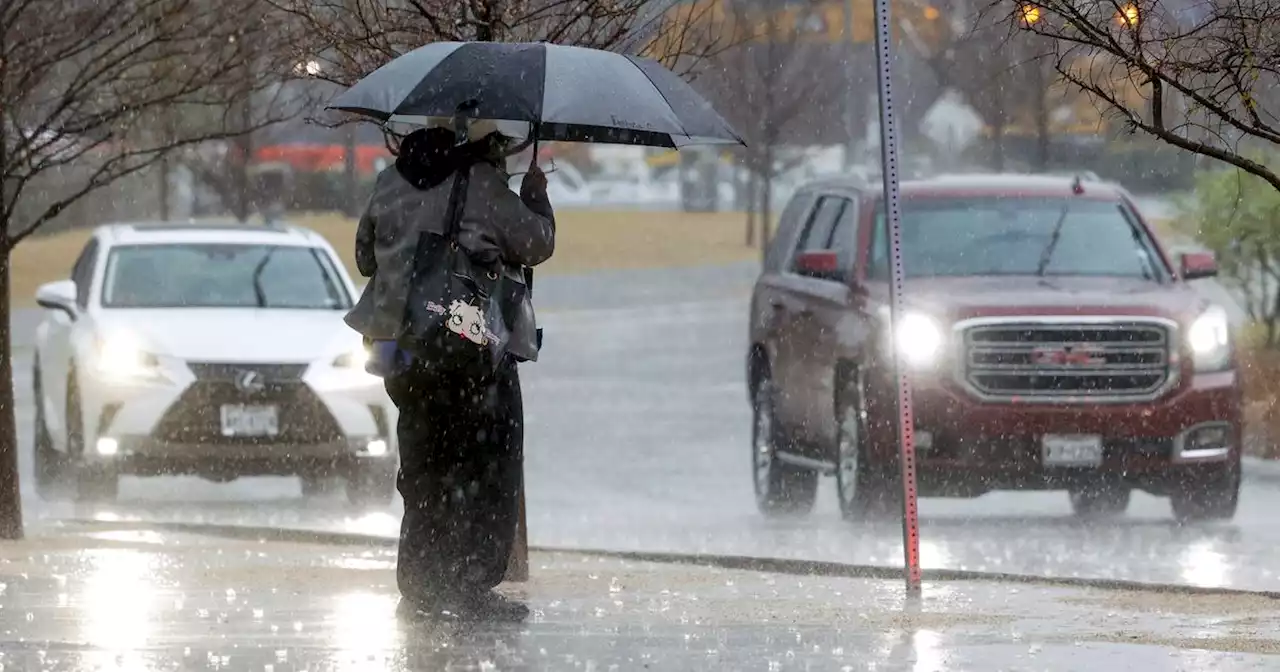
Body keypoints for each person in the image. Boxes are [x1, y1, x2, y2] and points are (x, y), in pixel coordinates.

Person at [345, 120, 554, 622]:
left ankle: (421, 582)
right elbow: (537, 244)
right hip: (467, 349)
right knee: (483, 465)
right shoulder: (481, 185)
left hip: (403, 353)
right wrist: (535, 196)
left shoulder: (390, 180)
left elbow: (364, 258)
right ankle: (468, 584)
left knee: (424, 464)